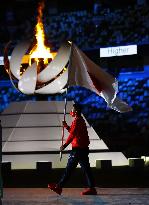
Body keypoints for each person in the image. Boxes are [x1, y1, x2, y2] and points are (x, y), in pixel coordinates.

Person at [48, 104, 97, 195]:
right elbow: (73, 131)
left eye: (73, 110)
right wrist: (66, 126)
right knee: (86, 169)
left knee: (69, 169)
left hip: (77, 149)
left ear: (77, 111)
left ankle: (59, 187)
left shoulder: (77, 121)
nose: (71, 111)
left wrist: (65, 145)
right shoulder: (79, 120)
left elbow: (72, 134)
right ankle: (92, 188)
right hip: (83, 148)